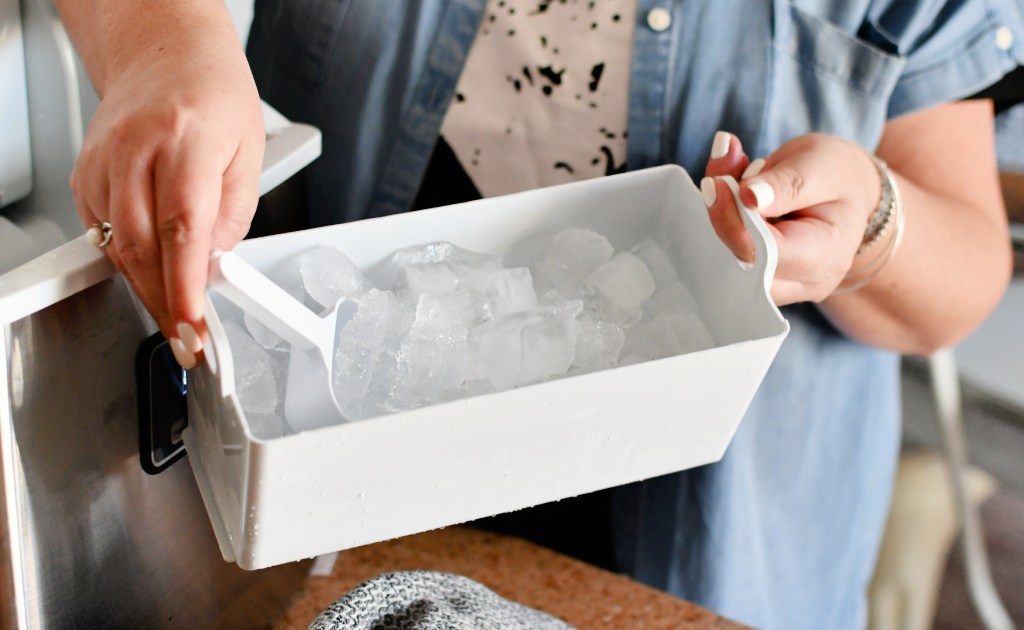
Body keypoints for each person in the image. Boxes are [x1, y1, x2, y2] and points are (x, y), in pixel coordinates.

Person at [53, 0, 1024, 627]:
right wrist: (161, 46)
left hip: (719, 543)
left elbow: (964, 264)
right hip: (314, 500)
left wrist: (873, 227)